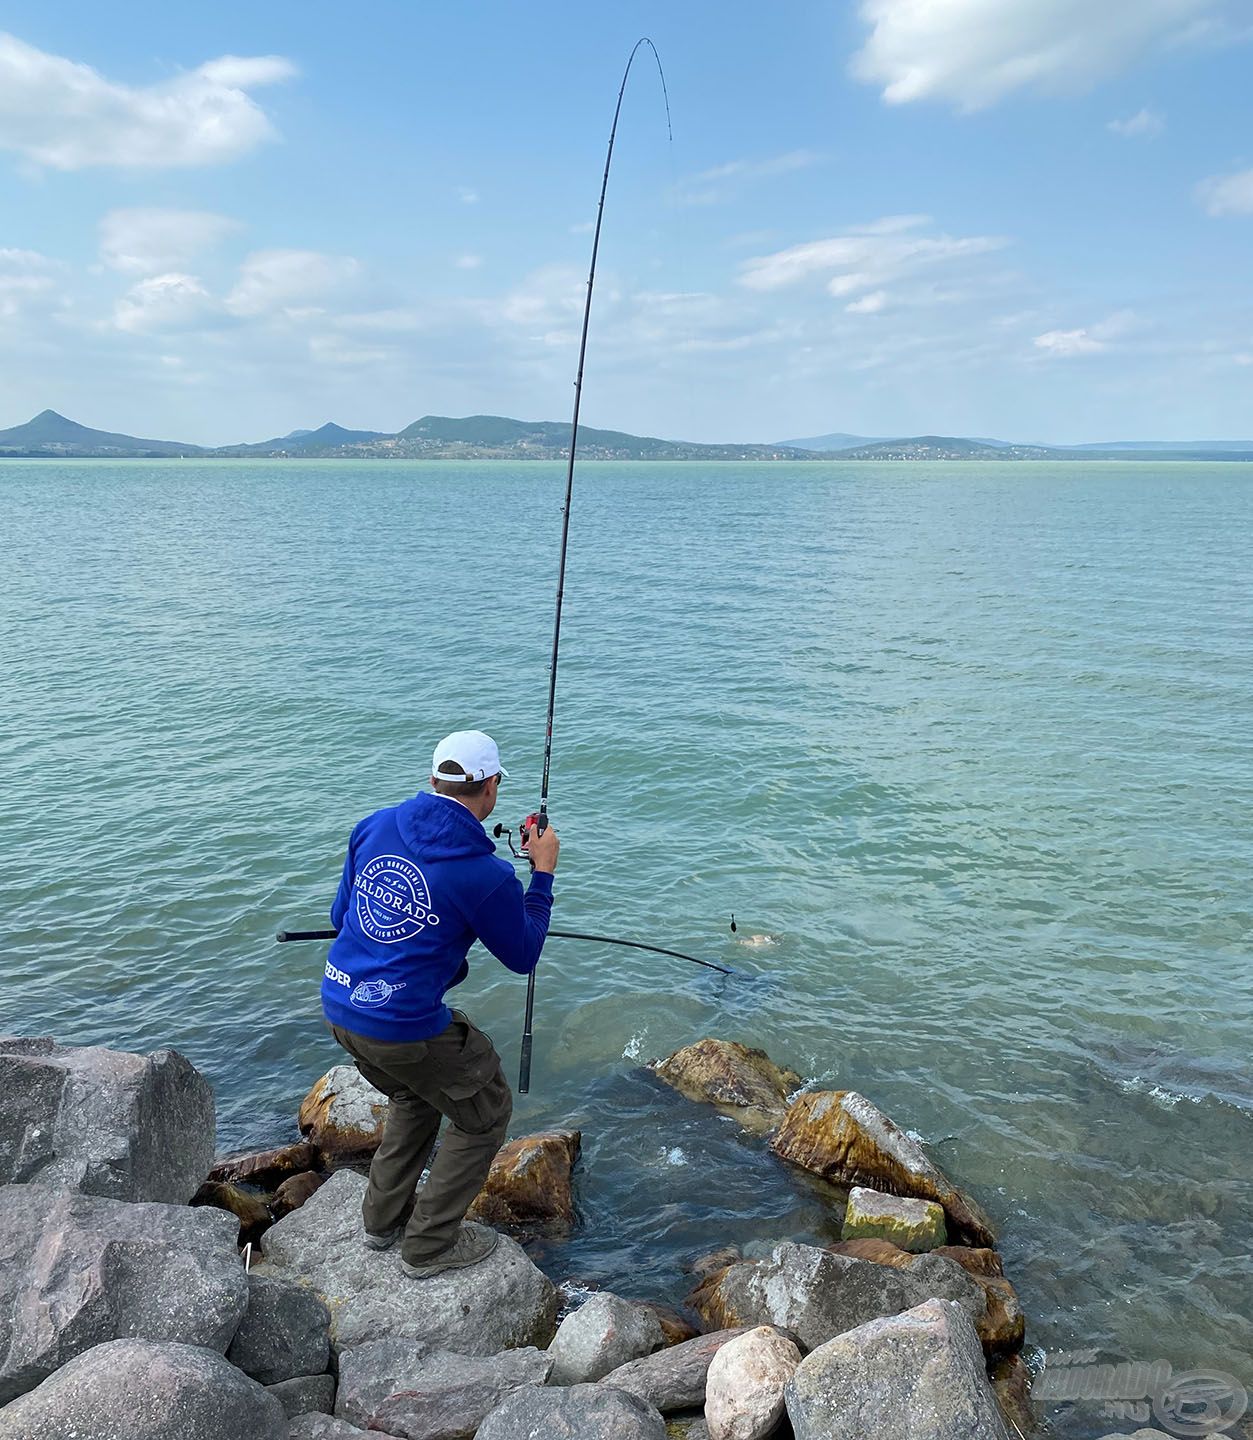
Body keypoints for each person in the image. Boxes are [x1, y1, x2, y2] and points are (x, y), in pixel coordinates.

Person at [320, 729, 559, 1278]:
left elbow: (341, 920)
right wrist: (541, 873)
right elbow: (523, 953)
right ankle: (428, 1246)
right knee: (486, 1108)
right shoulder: (488, 874)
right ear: (490, 787)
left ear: (433, 779)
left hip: (339, 1005)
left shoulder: (372, 825)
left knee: (416, 1095)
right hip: (401, 1024)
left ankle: (382, 1222)